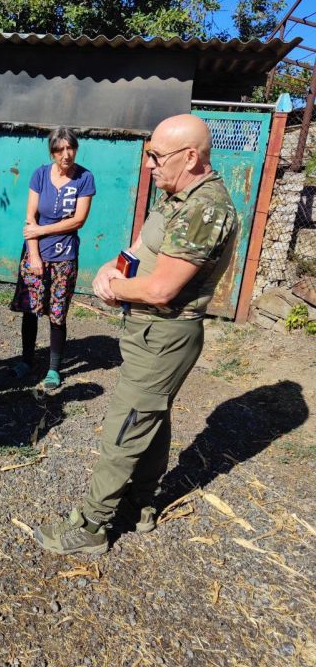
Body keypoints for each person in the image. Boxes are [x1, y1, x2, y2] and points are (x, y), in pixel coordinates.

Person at [35, 113, 238, 555]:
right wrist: (115, 265)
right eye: (148, 154)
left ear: (190, 157)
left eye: (156, 156)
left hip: (165, 333)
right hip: (151, 331)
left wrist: (114, 289)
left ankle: (91, 527)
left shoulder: (206, 208)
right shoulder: (177, 195)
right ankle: (142, 505)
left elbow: (163, 287)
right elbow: (142, 249)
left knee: (123, 429)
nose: (148, 163)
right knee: (151, 418)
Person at [9, 127, 96, 390]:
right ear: (52, 152)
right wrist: (34, 254)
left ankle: (54, 369)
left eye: (70, 148)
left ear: (76, 149)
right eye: (60, 150)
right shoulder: (40, 175)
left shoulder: (84, 178)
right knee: (30, 309)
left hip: (64, 256)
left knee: (57, 313)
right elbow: (30, 218)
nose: (66, 155)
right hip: (35, 253)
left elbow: (78, 220)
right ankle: (26, 360)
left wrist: (42, 230)